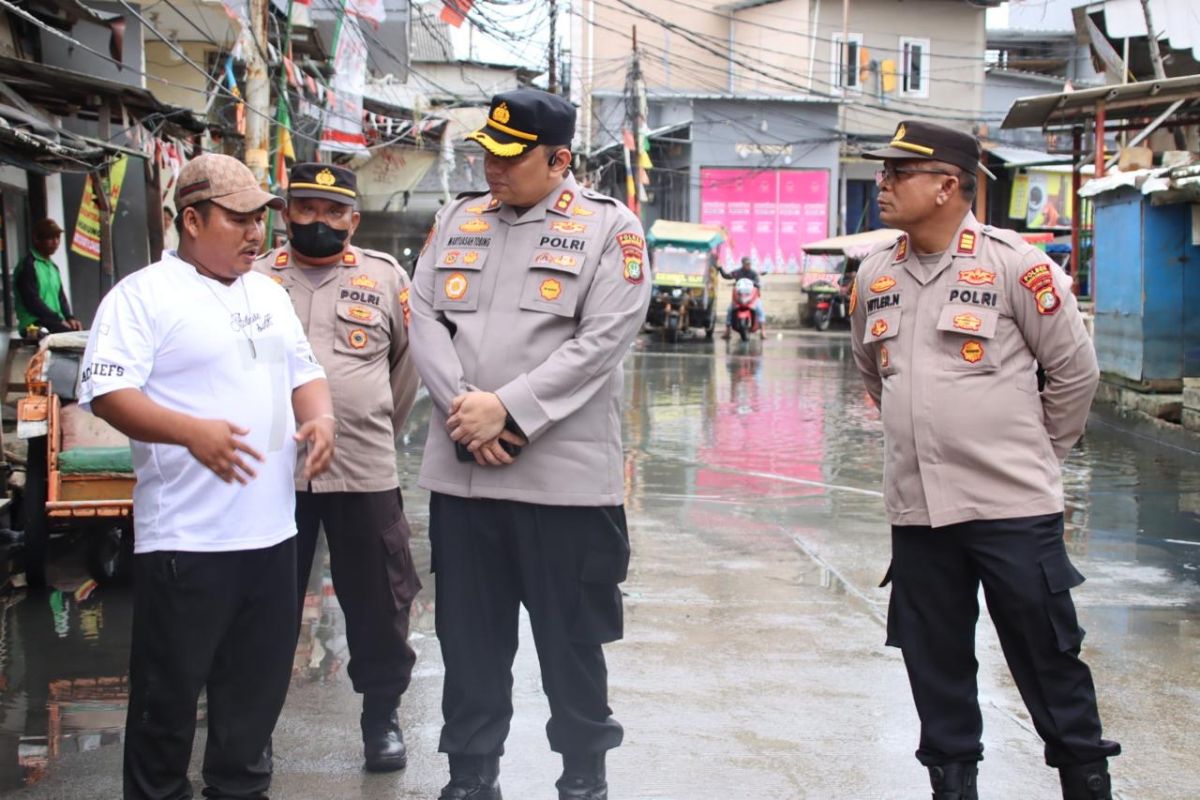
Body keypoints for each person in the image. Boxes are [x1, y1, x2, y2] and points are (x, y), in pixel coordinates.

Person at [850, 120, 1120, 800]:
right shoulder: (874, 274)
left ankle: (1086, 785)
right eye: (882, 172)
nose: (882, 184)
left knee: (1047, 663)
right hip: (918, 514)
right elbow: (873, 373)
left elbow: (1074, 375)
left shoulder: (1016, 267)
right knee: (934, 669)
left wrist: (1032, 457)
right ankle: (953, 787)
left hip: (1011, 510)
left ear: (948, 185)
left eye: (897, 173)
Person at [408, 88, 650, 800]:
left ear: (560, 159)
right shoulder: (456, 218)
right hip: (464, 478)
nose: (493, 167)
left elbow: (604, 338)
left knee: (571, 647)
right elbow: (422, 315)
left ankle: (583, 775)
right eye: (487, 151)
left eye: (510, 157)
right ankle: (471, 774)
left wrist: (508, 410)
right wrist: (465, 411)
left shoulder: (609, 228)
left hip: (565, 488)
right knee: (469, 643)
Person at [78, 153, 336, 800]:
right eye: (240, 218)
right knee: (166, 710)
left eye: (261, 219)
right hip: (187, 543)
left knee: (252, 708)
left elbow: (302, 374)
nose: (258, 233)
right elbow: (108, 392)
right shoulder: (142, 297)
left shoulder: (267, 295)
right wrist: (191, 432)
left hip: (273, 537)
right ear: (191, 219)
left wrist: (321, 420)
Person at [253, 161, 422, 773]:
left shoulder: (384, 277)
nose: (318, 221)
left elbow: (406, 369)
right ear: (285, 213)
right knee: (263, 605)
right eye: (305, 208)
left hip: (363, 470)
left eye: (332, 212)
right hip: (271, 475)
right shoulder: (253, 278)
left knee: (380, 603)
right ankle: (253, 729)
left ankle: (382, 719)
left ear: (353, 218)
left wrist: (368, 427)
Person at [15, 218, 81, 334]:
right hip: (34, 324)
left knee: (82, 333)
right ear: (36, 239)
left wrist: (70, 318)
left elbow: (61, 297)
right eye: (50, 238)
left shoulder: (53, 267)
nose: (55, 242)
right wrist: (59, 319)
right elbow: (32, 302)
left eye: (57, 238)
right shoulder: (28, 265)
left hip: (54, 321)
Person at [719, 256, 765, 339]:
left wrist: (755, 283)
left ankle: (763, 331)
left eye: (749, 264)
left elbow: (758, 282)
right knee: (730, 309)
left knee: (759, 309)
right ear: (743, 264)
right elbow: (726, 276)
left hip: (751, 297)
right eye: (746, 264)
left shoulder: (753, 273)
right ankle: (727, 331)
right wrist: (720, 269)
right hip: (740, 297)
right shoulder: (737, 272)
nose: (748, 265)